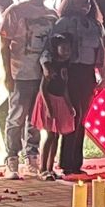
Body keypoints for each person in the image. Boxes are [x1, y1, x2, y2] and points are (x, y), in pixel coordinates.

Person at [0, 0, 57, 179]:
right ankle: (11, 158)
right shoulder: (15, 12)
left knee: (35, 119)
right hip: (21, 73)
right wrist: (8, 74)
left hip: (42, 76)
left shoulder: (52, 15)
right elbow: (4, 45)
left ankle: (32, 155)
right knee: (16, 117)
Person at [49, 0, 105, 176]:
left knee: (82, 118)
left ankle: (76, 162)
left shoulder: (96, 25)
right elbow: (53, 46)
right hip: (71, 72)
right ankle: (67, 162)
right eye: (81, 3)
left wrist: (104, 75)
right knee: (72, 116)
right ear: (71, 4)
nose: (85, 7)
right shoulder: (63, 23)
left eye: (88, 3)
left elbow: (104, 50)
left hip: (88, 74)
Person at [32, 30, 78, 180]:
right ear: (56, 49)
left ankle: (51, 168)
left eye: (68, 49)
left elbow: (64, 88)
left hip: (59, 100)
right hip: (48, 100)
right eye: (63, 48)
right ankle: (42, 169)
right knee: (50, 135)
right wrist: (48, 108)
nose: (66, 52)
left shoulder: (65, 67)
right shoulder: (50, 66)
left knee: (56, 135)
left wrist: (69, 105)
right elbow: (43, 88)